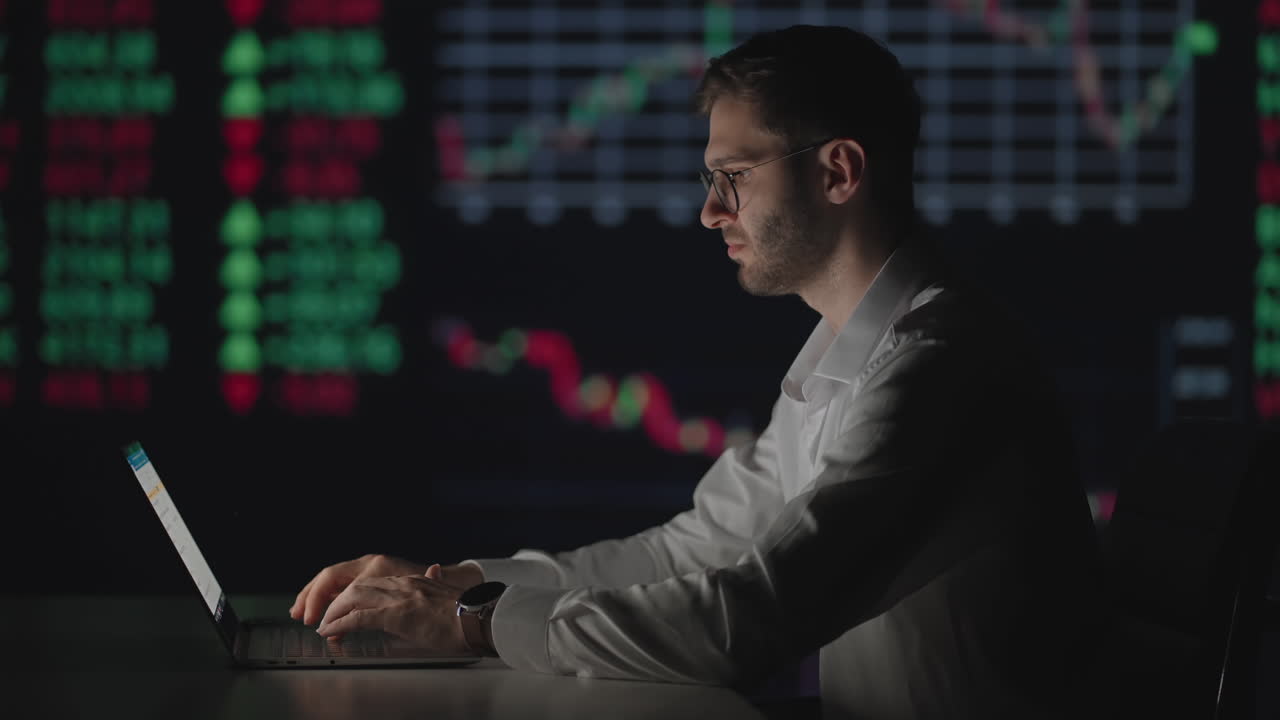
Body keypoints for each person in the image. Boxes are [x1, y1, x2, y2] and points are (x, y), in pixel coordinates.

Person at [292, 25, 1103, 719]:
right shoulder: (849, 357)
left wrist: (472, 621)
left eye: (735, 178)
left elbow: (748, 622)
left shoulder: (939, 364)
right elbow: (689, 553)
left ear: (838, 172)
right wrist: (460, 582)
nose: (712, 211)